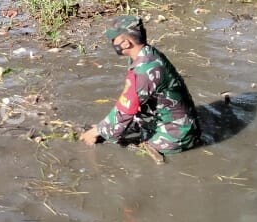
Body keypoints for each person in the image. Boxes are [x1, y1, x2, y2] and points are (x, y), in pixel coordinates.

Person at [79, 16, 201, 157]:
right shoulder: (146, 53)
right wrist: (104, 128)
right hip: (167, 117)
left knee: (126, 153)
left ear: (126, 43)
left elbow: (125, 109)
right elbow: (130, 101)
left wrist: (97, 131)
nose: (112, 43)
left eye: (114, 39)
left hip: (176, 135)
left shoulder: (145, 70)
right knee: (115, 130)